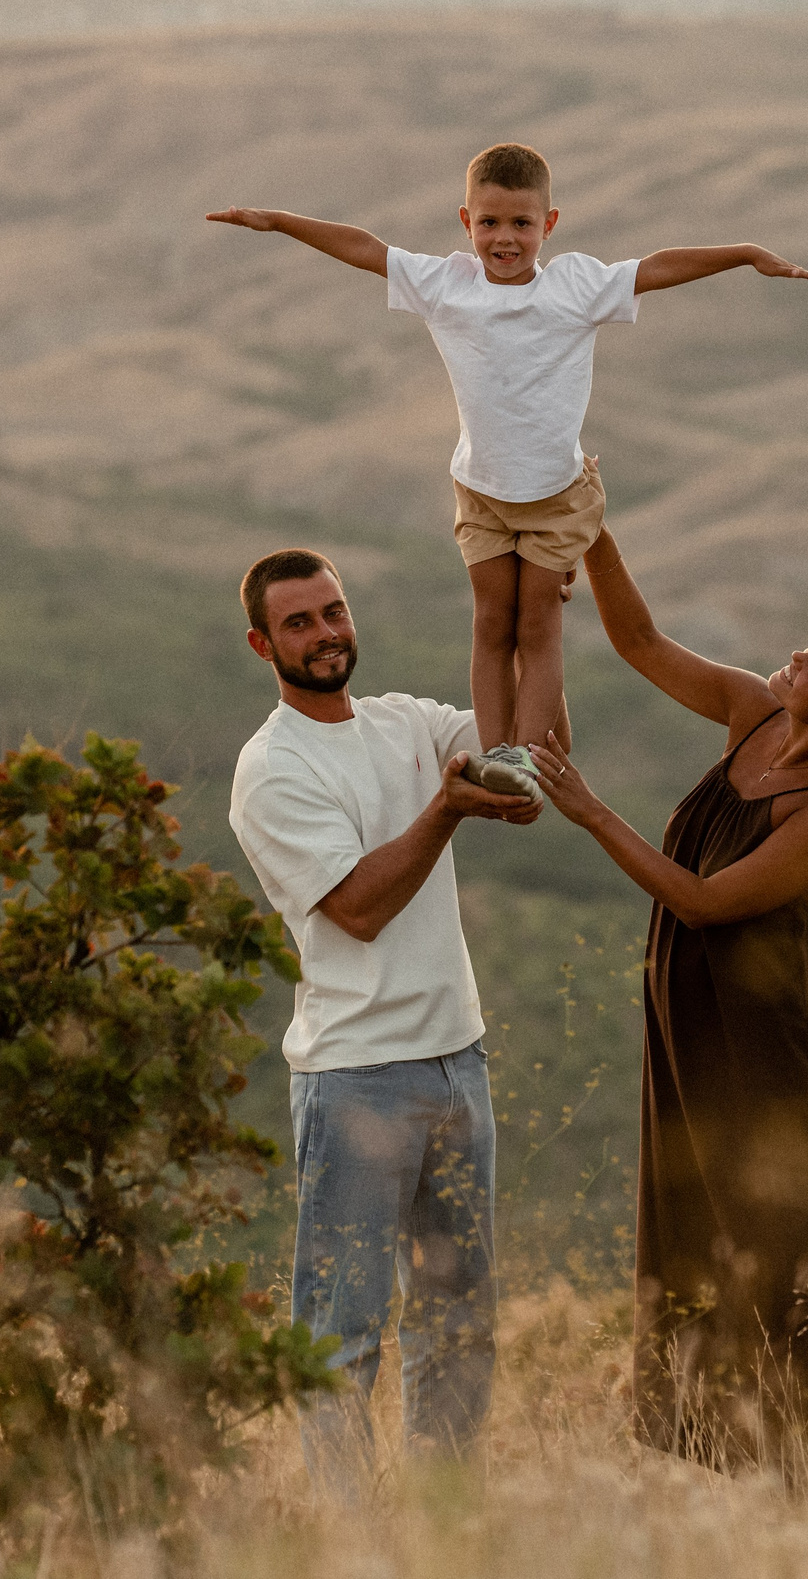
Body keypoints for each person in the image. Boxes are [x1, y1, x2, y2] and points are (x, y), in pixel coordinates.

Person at [523, 527, 808, 1475]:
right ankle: (714, 1454)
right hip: (698, 1026)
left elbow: (705, 901)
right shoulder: (756, 712)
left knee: (786, 1240)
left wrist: (591, 809)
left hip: (776, 1042)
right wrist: (591, 534)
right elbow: (640, 644)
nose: (801, 653)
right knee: (701, 1222)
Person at [205, 141, 808, 801]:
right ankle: (495, 753)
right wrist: (281, 221)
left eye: (522, 223)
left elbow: (659, 267)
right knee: (491, 624)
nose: (505, 238)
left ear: (548, 226)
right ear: (465, 221)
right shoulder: (447, 286)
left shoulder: (574, 286)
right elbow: (364, 248)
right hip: (482, 490)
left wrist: (745, 254)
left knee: (537, 626)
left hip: (558, 494)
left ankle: (525, 759)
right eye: (490, 222)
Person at [224, 547, 540, 1492]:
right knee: (344, 1330)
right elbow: (358, 907)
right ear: (261, 643)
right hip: (357, 1077)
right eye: (299, 622)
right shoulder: (271, 768)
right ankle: (353, 1540)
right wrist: (447, 810)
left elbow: (527, 733)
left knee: (458, 1319)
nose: (325, 633)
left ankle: (443, 1525)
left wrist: (534, 606)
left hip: (458, 1062)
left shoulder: (409, 722)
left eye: (333, 610)